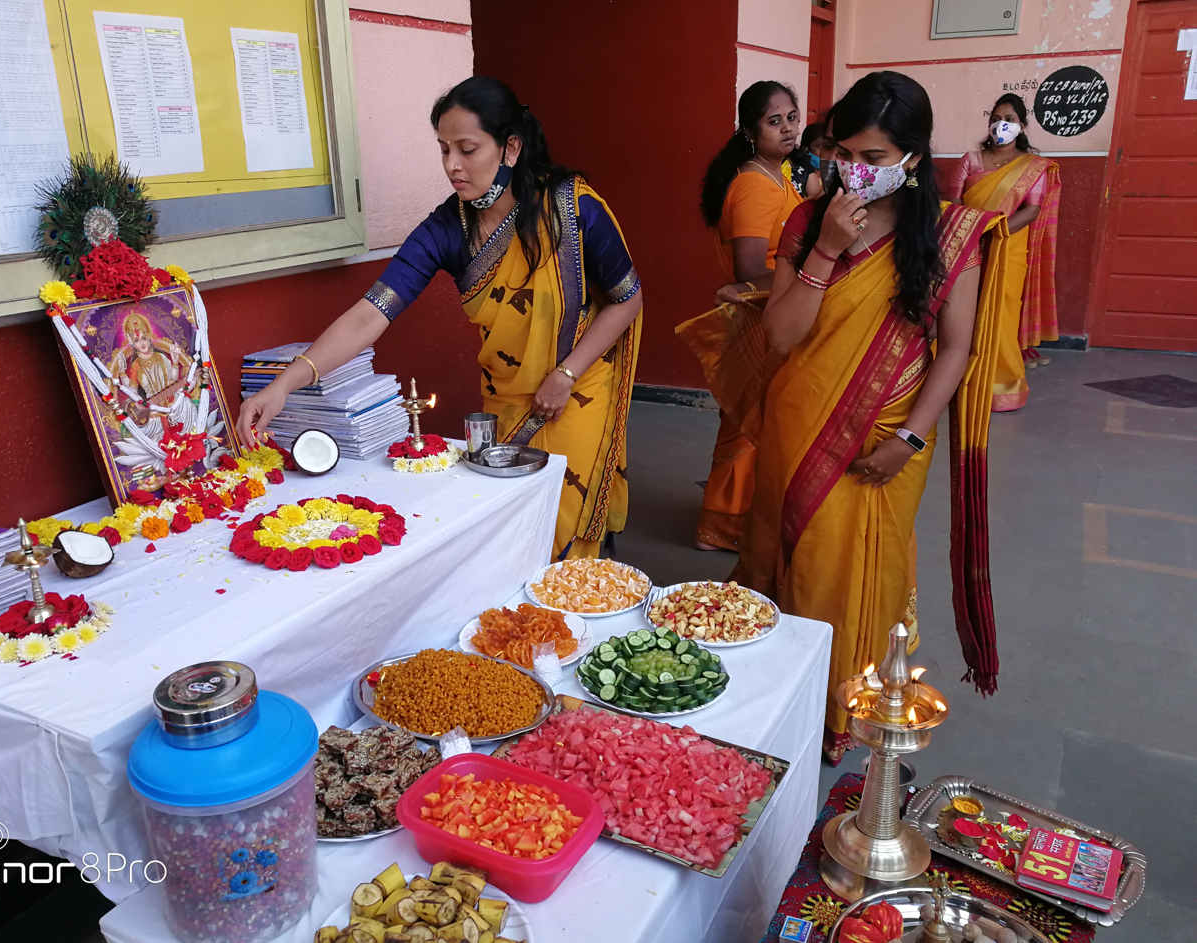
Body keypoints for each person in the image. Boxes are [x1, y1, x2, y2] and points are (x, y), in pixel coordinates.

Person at [237, 77, 643, 561]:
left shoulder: (573, 209)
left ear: (511, 147)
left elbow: (627, 299)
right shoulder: (448, 227)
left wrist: (566, 374)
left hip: (575, 389)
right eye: (444, 149)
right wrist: (284, 384)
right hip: (507, 397)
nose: (452, 165)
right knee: (513, 531)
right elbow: (369, 315)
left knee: (564, 525)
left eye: (467, 149)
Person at [729, 72, 1007, 765]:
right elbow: (782, 336)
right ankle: (781, 697)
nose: (855, 169)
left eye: (874, 157)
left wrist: (911, 437)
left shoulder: (949, 232)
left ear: (912, 157)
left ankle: (839, 706)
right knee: (793, 562)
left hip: (889, 435)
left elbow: (957, 347)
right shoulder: (808, 220)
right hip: (799, 421)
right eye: (842, 151)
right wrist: (826, 247)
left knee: (858, 573)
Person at [679, 81, 801, 552]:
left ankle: (735, 520)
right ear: (751, 131)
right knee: (749, 425)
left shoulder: (777, 175)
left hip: (775, 309)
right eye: (775, 122)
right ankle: (723, 526)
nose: (788, 128)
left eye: (792, 117)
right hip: (761, 314)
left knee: (757, 422)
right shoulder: (753, 185)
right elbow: (750, 269)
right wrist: (814, 274)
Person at [946, 93, 1061, 411]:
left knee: (1001, 316)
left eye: (1009, 120)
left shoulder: (1032, 166)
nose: (1001, 125)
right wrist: (971, 233)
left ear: (1022, 126)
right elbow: (953, 202)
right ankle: (955, 381)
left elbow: (1032, 210)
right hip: (966, 246)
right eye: (996, 118)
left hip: (1007, 249)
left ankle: (1000, 387)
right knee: (961, 313)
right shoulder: (971, 160)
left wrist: (994, 233)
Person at [789, 113, 836, 199]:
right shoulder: (800, 173)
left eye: (828, 147)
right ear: (805, 149)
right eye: (819, 146)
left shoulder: (835, 176)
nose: (823, 152)